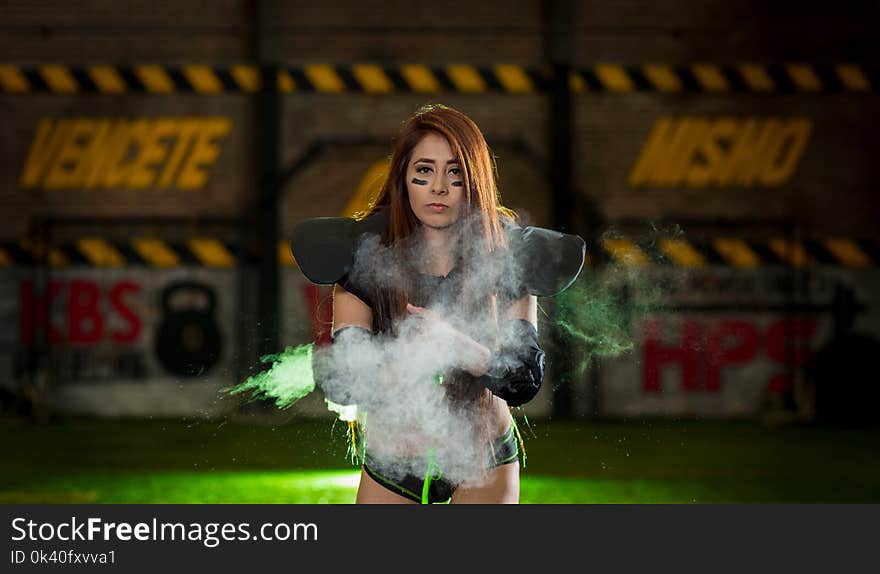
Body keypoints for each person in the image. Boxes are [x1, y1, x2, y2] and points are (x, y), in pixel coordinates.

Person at [291, 104, 585, 504]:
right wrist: (401, 358)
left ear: (475, 180)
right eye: (424, 171)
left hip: (484, 461)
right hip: (394, 463)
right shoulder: (361, 255)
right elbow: (343, 382)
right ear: (403, 179)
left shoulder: (508, 255)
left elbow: (523, 380)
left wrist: (459, 347)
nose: (439, 188)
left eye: (456, 173)